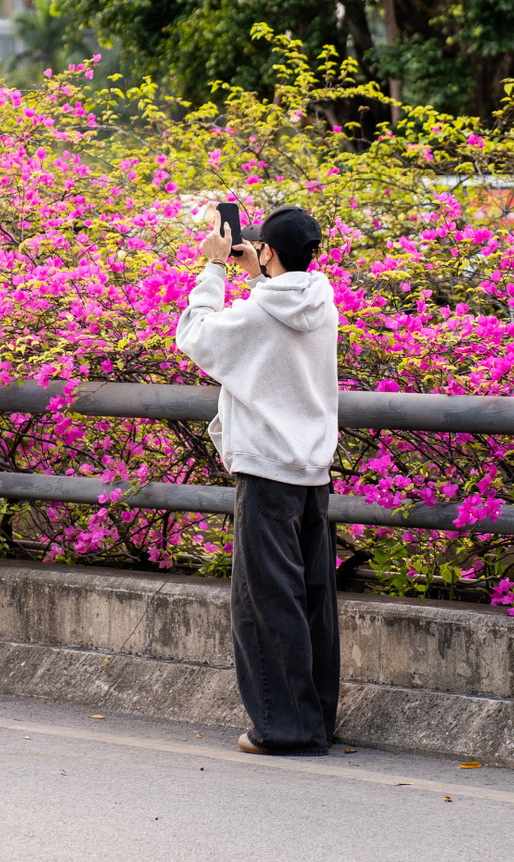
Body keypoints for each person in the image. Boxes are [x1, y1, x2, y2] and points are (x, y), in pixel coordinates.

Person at [175, 204, 340, 756]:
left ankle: (282, 727)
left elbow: (196, 336)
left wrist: (215, 269)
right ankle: (315, 719)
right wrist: (259, 272)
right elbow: (279, 306)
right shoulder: (322, 300)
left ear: (266, 249)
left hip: (267, 470)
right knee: (313, 601)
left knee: (267, 604)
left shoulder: (257, 312)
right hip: (313, 472)